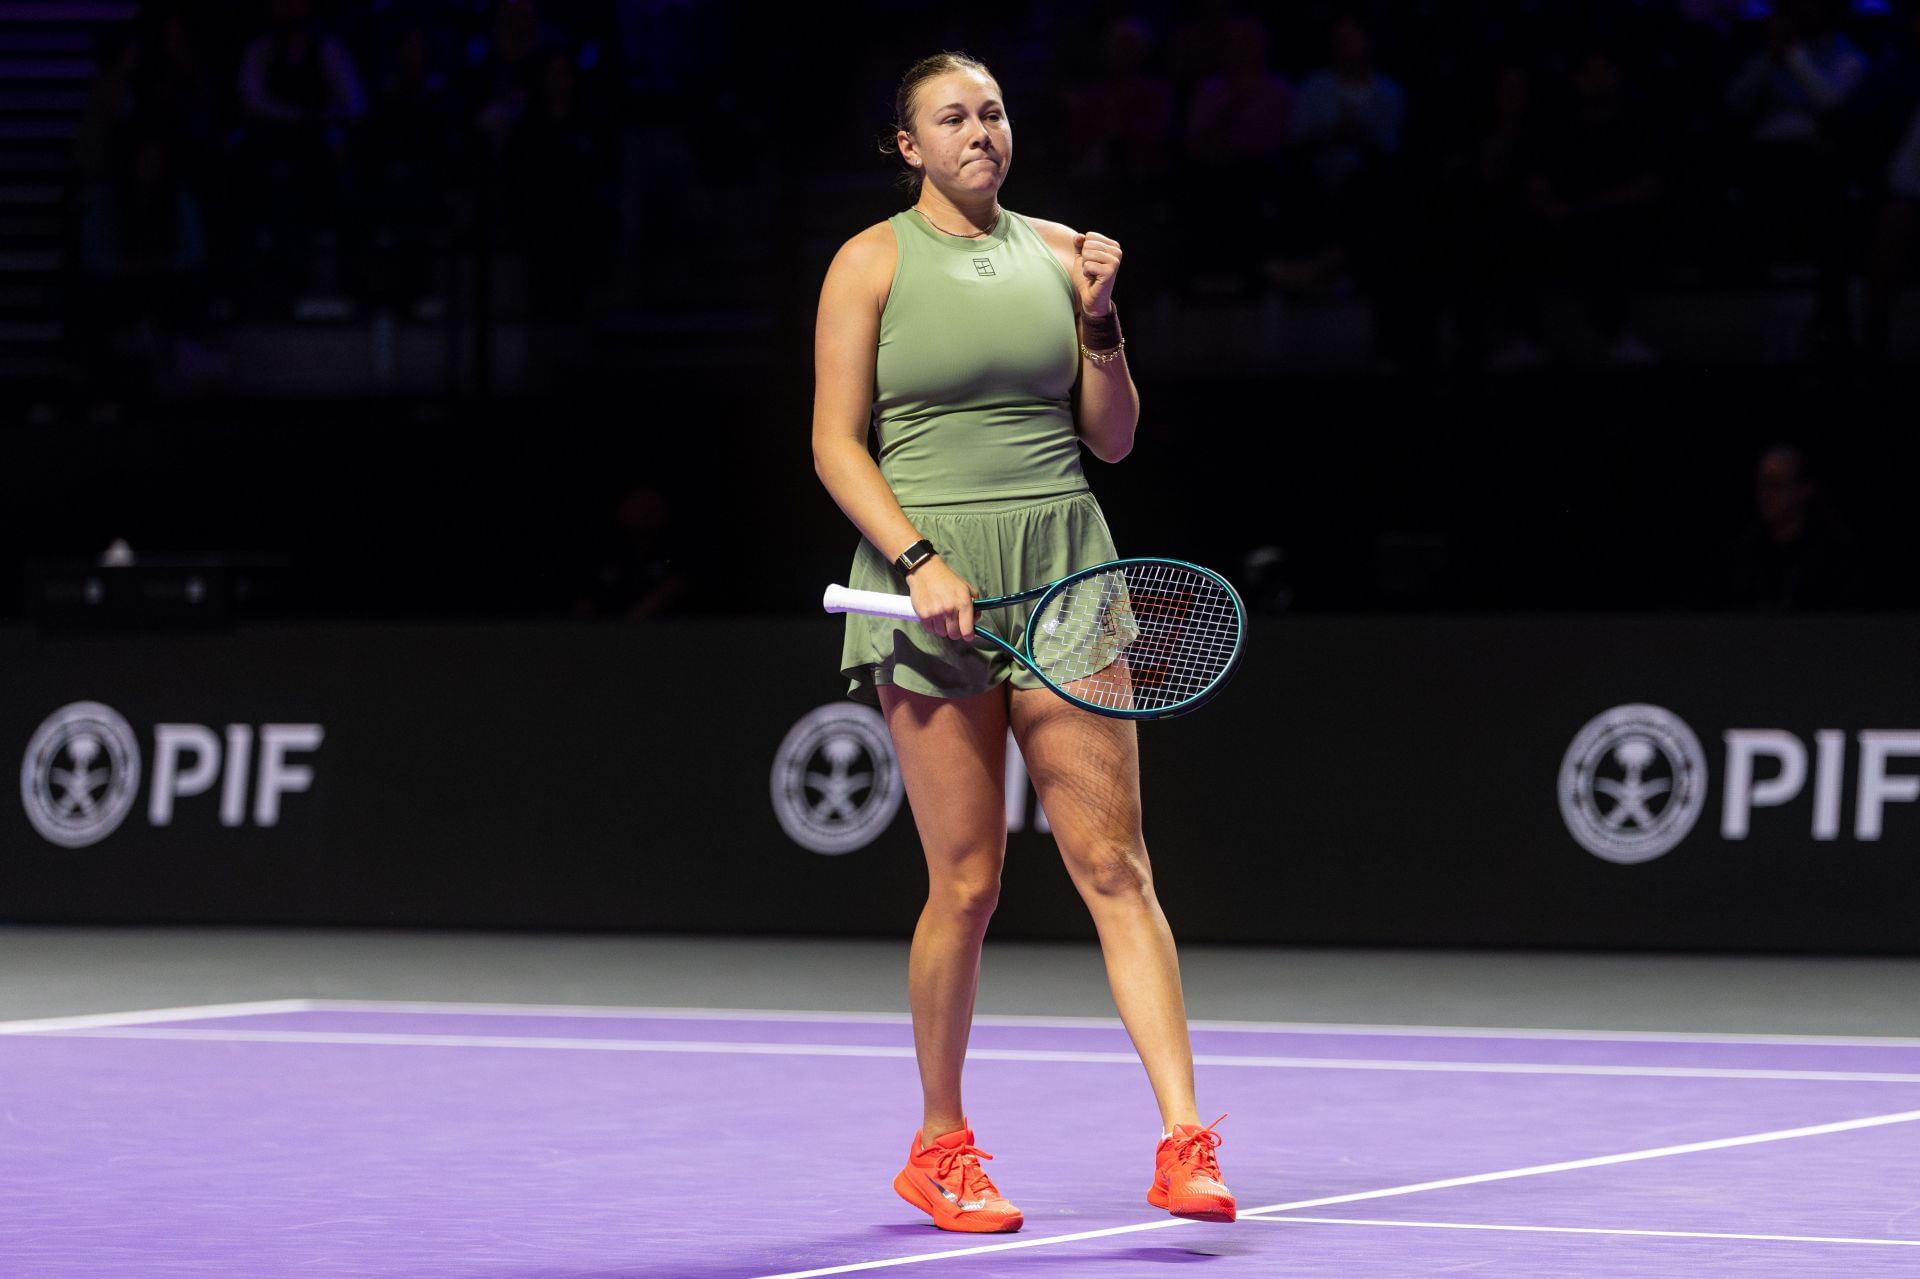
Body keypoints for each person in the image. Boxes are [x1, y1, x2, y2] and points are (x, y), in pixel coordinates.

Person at [810, 51, 1235, 1234]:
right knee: (969, 880)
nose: (979, 130)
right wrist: (914, 559)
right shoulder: (871, 264)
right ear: (909, 147)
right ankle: (940, 1144)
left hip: (1068, 575)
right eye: (952, 117)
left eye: (992, 111)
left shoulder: (1061, 255)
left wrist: (1100, 323)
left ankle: (1183, 1142)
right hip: (929, 579)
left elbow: (1113, 440)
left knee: (1116, 864)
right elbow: (836, 444)